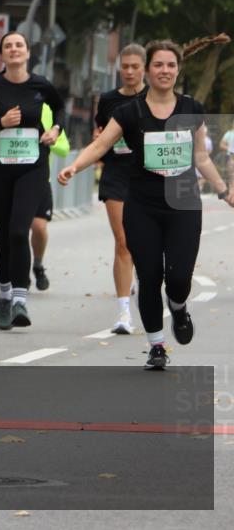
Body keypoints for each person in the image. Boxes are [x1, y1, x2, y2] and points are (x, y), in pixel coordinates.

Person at [59, 40, 234, 370]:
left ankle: (178, 307)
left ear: (178, 69)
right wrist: (75, 166)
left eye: (171, 65)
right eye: (158, 65)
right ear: (148, 70)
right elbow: (101, 145)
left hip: (183, 203)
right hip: (142, 205)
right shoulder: (130, 112)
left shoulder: (192, 109)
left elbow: (201, 157)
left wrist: (225, 191)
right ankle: (156, 346)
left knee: (179, 278)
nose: (164, 70)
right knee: (149, 276)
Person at [0, 32, 65, 331]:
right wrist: (0, 123)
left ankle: (20, 301)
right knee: (4, 236)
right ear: (2, 55)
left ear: (27, 52)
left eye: (19, 45)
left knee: (18, 231)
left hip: (32, 168)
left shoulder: (41, 85)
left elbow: (59, 108)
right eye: (8, 46)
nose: (14, 49)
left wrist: (55, 129)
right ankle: (4, 297)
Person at [90, 44, 148, 334]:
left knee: (145, 242)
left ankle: (140, 281)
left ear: (144, 68)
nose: (129, 71)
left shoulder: (155, 98)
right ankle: (124, 312)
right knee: (123, 241)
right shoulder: (109, 99)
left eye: (135, 66)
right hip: (116, 174)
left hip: (148, 176)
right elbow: (100, 133)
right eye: (125, 66)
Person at [28, 103, 70, 292]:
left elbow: (64, 148)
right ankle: (19, 270)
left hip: (41, 180)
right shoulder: (9, 103)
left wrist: (51, 139)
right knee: (17, 230)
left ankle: (38, 265)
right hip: (13, 180)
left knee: (39, 227)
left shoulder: (48, 110)